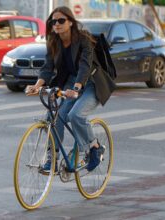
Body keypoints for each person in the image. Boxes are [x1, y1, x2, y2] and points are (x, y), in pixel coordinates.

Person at [26, 6, 114, 172]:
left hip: (91, 83)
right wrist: (37, 86)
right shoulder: (54, 42)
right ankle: (53, 158)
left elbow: (85, 66)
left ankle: (95, 146)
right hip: (70, 84)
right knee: (55, 117)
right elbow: (48, 67)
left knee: (76, 115)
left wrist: (76, 88)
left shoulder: (83, 39)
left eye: (61, 20)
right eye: (54, 21)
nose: (57, 24)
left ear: (71, 22)